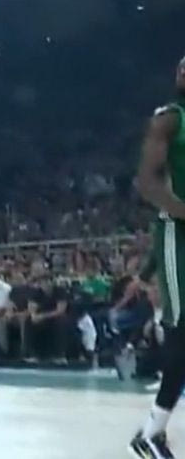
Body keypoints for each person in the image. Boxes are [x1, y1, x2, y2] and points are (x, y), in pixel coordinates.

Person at [129, 55, 185, 459]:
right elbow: (146, 182)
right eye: (181, 67)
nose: (183, 71)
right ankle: (151, 433)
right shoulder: (169, 119)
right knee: (182, 331)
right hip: (176, 232)